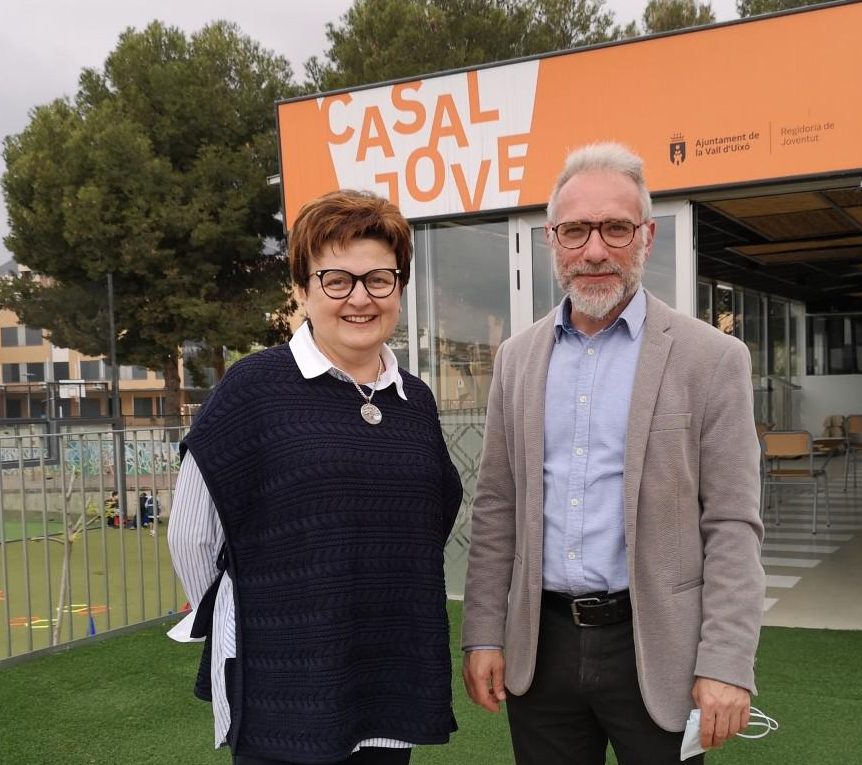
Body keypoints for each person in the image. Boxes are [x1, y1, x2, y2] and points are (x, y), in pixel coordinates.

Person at [461, 143, 765, 765]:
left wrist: (727, 661)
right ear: (553, 240)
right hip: (540, 647)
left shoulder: (712, 359)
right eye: (575, 230)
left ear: (646, 236)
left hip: (657, 648)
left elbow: (733, 523)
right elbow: (496, 507)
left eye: (615, 229)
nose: (595, 250)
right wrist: (483, 633)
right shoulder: (517, 359)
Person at [168, 189, 463, 765]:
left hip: (388, 671)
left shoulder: (416, 400)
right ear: (303, 290)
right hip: (286, 679)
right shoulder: (253, 387)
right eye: (336, 280)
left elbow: (431, 519)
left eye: (379, 279)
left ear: (399, 287)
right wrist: (260, 613)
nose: (360, 297)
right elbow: (193, 535)